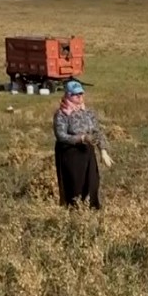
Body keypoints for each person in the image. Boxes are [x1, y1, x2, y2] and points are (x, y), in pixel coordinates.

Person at [53, 80, 113, 209]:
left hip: (87, 153)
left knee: (92, 184)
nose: (79, 97)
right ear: (68, 95)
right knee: (75, 187)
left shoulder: (88, 113)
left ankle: (92, 212)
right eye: (75, 94)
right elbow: (61, 136)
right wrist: (81, 138)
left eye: (81, 94)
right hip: (70, 155)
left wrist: (103, 151)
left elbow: (97, 132)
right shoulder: (62, 114)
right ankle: (76, 214)